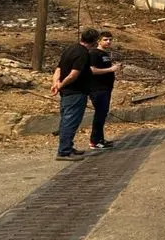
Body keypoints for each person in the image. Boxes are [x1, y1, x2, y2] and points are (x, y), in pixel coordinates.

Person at [50, 28, 99, 161]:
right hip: (76, 92)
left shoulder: (70, 49)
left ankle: (68, 146)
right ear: (95, 41)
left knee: (66, 119)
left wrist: (56, 83)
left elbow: (59, 68)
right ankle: (64, 151)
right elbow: (73, 74)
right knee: (70, 122)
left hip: (66, 92)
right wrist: (61, 85)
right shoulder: (83, 54)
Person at [88, 30, 121, 150]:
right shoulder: (94, 53)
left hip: (106, 88)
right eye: (105, 40)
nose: (108, 42)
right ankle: (94, 141)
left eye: (110, 39)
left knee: (102, 115)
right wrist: (111, 70)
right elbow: (92, 70)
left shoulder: (105, 54)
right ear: (98, 41)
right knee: (100, 114)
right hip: (98, 89)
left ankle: (100, 139)